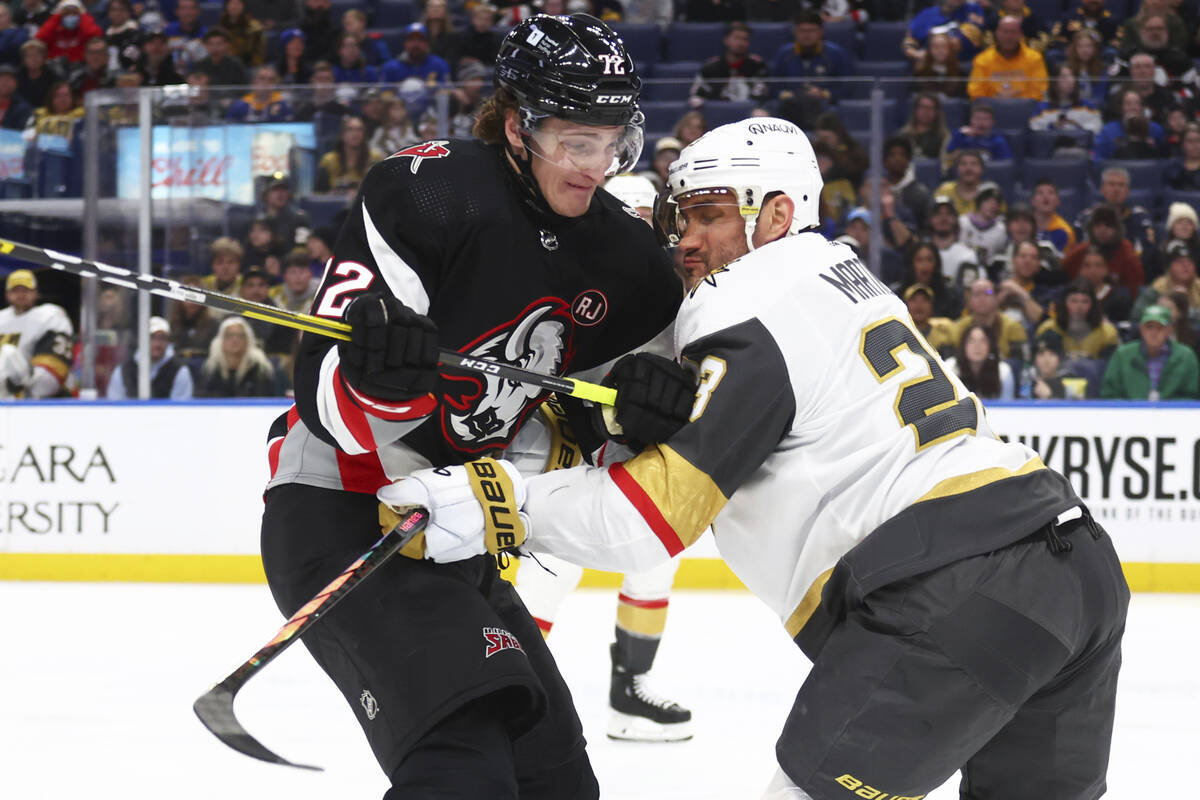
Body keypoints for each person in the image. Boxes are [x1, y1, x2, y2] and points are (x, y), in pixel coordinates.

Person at [384, 116, 1130, 800]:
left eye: (709, 215)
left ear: (776, 214)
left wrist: (499, 502)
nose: (685, 239)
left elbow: (652, 519)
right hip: (1076, 567)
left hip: (952, 589)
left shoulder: (743, 297)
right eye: (682, 218)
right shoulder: (851, 279)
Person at [258, 15, 686, 798]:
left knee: (553, 778)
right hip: (343, 511)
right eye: (574, 142)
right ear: (520, 126)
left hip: (452, 533)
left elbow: (583, 434)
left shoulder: (629, 262)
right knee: (464, 755)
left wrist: (633, 420)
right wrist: (380, 380)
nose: (595, 167)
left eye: (612, 144)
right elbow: (327, 403)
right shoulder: (431, 193)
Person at [513, 170, 693, 744]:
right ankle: (511, 698)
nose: (637, 230)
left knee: (657, 561)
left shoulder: (678, 289)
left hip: (647, 455)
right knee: (550, 576)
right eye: (627, 216)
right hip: (574, 454)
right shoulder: (569, 274)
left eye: (647, 219)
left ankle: (630, 693)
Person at [0, 268, 73, 399]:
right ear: (7, 294)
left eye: (26, 290)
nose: (21, 294)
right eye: (15, 290)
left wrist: (27, 390)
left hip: (37, 397)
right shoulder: (1, 318)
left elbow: (49, 377)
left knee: (9, 352)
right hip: (4, 393)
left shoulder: (49, 316)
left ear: (36, 293)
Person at [1101, 303, 1199, 399]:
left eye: (1159, 327)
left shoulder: (1186, 356)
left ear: (1169, 330)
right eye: (1149, 327)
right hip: (1131, 413)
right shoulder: (1122, 355)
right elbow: (1109, 393)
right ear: (1141, 329)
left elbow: (1192, 395)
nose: (1154, 333)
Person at [107, 315, 195, 400]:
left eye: (163, 338)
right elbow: (114, 407)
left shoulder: (180, 371)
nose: (157, 343)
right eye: (152, 337)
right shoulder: (122, 371)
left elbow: (181, 410)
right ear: (142, 339)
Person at [688, 21, 769, 109]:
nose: (741, 43)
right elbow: (697, 94)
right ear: (726, 40)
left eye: (745, 39)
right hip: (717, 111)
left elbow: (761, 92)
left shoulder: (757, 65)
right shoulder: (711, 67)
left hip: (747, 111)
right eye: (737, 38)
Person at [1035, 276, 1120, 359]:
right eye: (1074, 301)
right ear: (1064, 303)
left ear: (1093, 305)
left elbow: (1108, 368)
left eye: (1085, 301)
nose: (1079, 307)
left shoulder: (1107, 333)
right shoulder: (1048, 329)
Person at [967, 15, 1049, 100]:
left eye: (1013, 32)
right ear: (997, 34)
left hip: (1025, 108)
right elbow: (975, 92)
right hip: (992, 108)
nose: (1009, 37)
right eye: (1005, 32)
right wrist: (996, 99)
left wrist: (1015, 100)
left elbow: (1039, 90)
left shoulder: (1034, 58)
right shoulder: (982, 60)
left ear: (1020, 35)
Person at [197, 315, 277, 397]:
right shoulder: (210, 369)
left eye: (240, 335)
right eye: (229, 335)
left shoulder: (261, 368)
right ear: (221, 340)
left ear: (248, 340)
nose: (235, 340)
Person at [944, 320, 1016, 399]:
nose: (977, 346)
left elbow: (1008, 406)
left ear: (991, 346)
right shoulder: (950, 367)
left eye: (983, 341)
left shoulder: (1003, 371)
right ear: (963, 346)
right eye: (971, 341)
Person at [315, 114, 383, 194]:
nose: (355, 134)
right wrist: (334, 194)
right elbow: (318, 194)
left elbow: (382, 192)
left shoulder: (375, 159)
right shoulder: (329, 160)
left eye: (359, 130)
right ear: (342, 135)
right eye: (350, 129)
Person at [34, 0, 101, 64]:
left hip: (80, 67)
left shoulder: (83, 31)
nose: (71, 16)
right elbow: (40, 38)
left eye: (74, 13)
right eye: (67, 13)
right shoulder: (55, 32)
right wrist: (56, 16)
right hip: (55, 68)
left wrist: (84, 14)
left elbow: (93, 35)